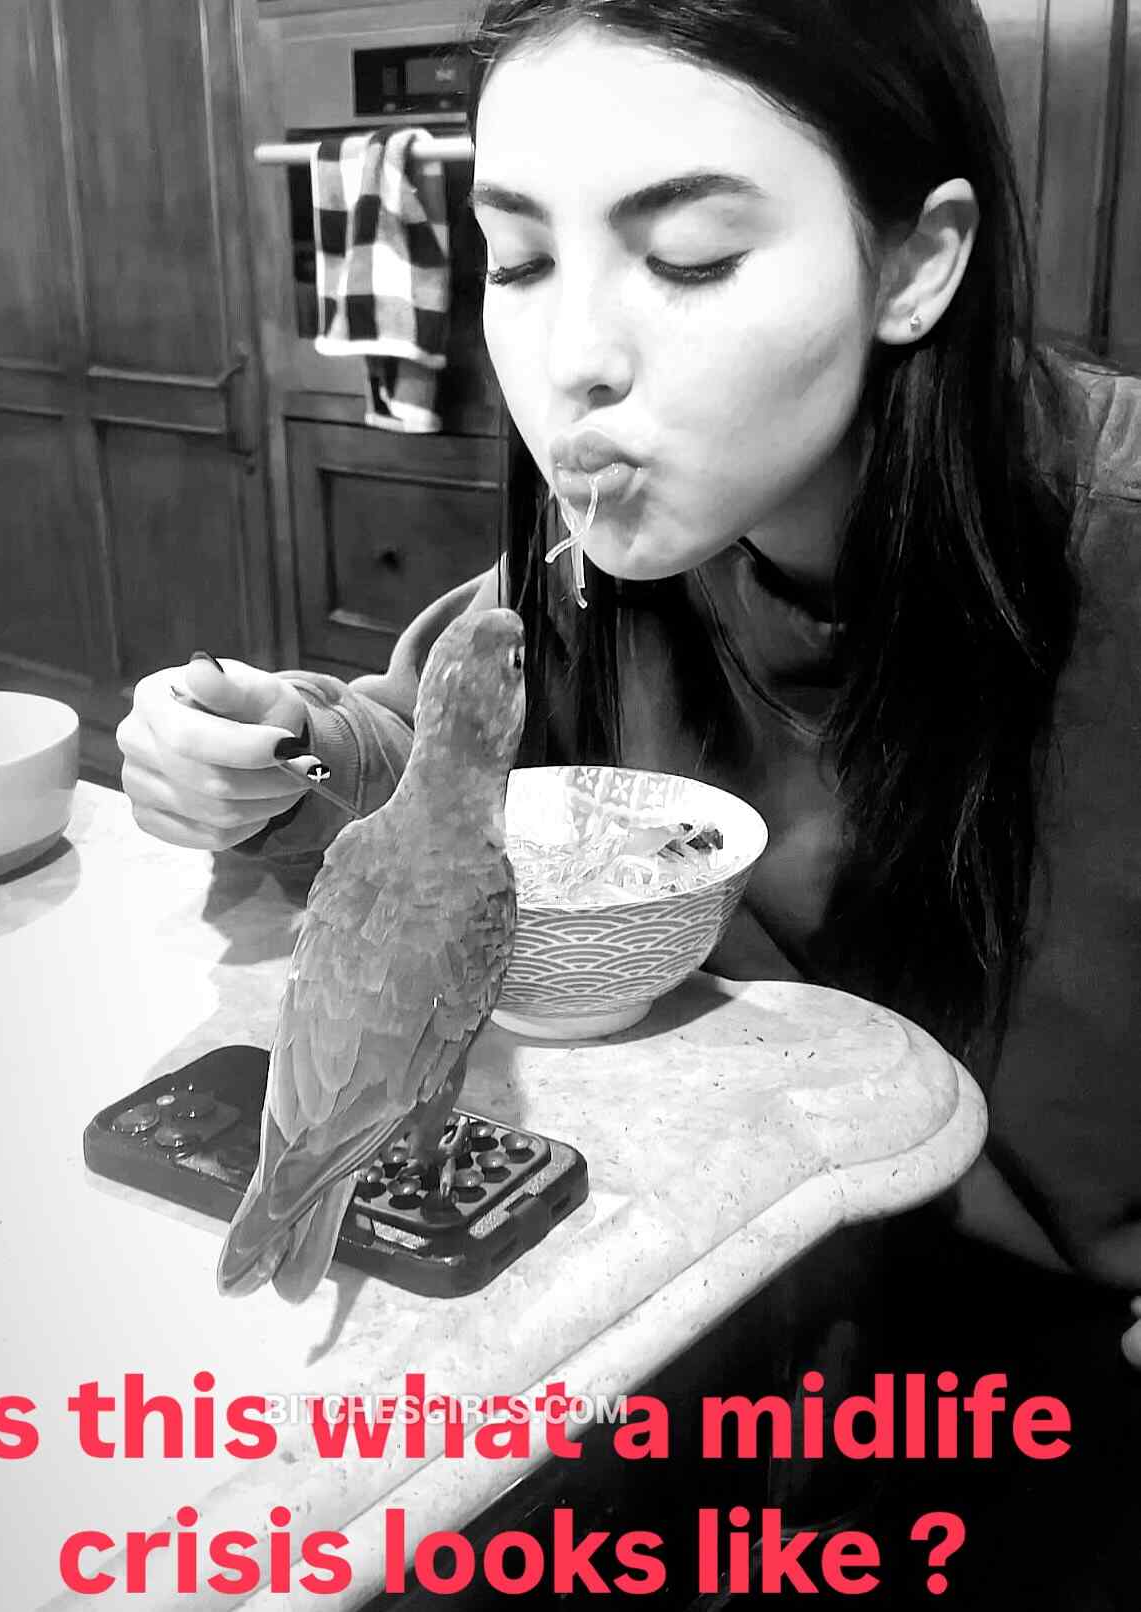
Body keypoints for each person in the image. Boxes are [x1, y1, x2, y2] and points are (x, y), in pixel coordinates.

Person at [119, 1, 1140, 1599]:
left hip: (1047, 1380)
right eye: (519, 260)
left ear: (916, 264)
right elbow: (422, 750)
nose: (570, 362)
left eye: (687, 260)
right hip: (737, 1284)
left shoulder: (1110, 546)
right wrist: (271, 747)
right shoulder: (603, 558)